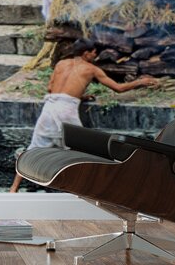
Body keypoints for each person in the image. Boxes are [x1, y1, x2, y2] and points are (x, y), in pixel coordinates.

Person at [9, 39, 156, 193]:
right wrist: (141, 82)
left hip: (49, 108)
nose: (95, 56)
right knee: (81, 150)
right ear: (86, 53)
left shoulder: (61, 64)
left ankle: (13, 189)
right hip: (66, 110)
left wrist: (79, 96)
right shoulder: (91, 69)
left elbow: (51, 87)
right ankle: (89, 188)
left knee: (33, 150)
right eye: (94, 53)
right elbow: (119, 88)